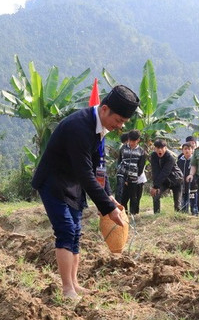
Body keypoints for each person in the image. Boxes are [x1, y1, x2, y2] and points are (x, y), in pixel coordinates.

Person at [32, 85, 139, 300]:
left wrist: (109, 195)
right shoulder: (79, 127)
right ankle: (66, 289)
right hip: (54, 181)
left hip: (73, 184)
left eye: (123, 123)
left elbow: (98, 167)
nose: (119, 127)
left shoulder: (100, 129)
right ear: (105, 109)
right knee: (65, 231)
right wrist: (108, 209)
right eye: (118, 120)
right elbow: (85, 172)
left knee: (76, 233)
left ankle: (74, 283)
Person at [116, 130, 147, 215]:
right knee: (123, 198)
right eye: (130, 140)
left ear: (138, 140)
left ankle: (133, 215)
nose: (131, 143)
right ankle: (123, 215)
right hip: (123, 176)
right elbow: (119, 161)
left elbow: (141, 166)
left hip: (134, 178)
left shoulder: (141, 151)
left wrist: (135, 176)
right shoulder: (123, 148)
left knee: (134, 198)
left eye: (134, 141)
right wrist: (124, 177)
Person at [149, 138, 182, 214]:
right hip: (164, 181)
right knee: (156, 195)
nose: (160, 150)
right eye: (157, 148)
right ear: (155, 149)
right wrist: (155, 186)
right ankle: (156, 214)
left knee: (177, 204)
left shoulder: (170, 158)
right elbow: (155, 171)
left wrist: (155, 186)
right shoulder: (153, 156)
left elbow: (164, 172)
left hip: (176, 180)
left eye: (162, 148)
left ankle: (178, 217)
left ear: (166, 148)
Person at [177, 142, 199, 214]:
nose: (187, 151)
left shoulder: (195, 160)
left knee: (193, 203)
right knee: (184, 203)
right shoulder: (179, 161)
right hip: (183, 187)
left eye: (189, 149)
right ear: (182, 150)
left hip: (193, 186)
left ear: (192, 150)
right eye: (185, 149)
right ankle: (184, 215)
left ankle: (195, 214)